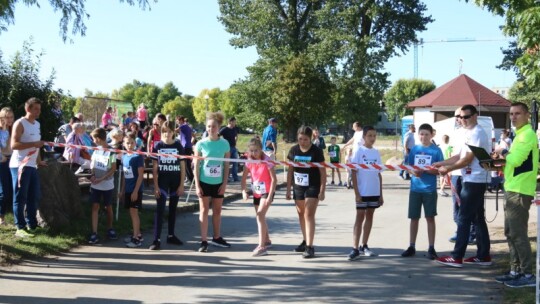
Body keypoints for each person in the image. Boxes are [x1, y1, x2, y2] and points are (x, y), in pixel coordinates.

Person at [434, 104, 491, 268]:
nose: (462, 120)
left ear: (474, 116)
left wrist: (448, 169)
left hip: (475, 179)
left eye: (466, 117)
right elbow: (459, 155)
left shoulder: (477, 133)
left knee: (464, 217)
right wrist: (442, 163)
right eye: (460, 117)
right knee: (477, 218)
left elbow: (467, 159)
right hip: (469, 178)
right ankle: (483, 255)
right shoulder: (467, 133)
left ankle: (457, 256)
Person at [492, 102, 538, 288]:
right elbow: (516, 162)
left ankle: (527, 275)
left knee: (518, 234)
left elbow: (517, 160)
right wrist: (498, 162)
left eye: (517, 113)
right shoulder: (519, 135)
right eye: (511, 114)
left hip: (520, 191)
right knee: (510, 233)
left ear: (527, 115)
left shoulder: (527, 134)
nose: (513, 117)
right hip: (513, 187)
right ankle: (515, 270)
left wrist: (502, 152)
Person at [401, 123, 443, 260]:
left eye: (426, 134)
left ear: (431, 135)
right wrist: (414, 172)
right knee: (414, 218)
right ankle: (411, 246)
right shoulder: (414, 149)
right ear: (418, 135)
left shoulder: (436, 151)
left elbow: (441, 170)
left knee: (430, 218)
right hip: (415, 189)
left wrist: (427, 171)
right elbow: (408, 166)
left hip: (429, 189)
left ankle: (431, 247)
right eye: (421, 134)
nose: (423, 136)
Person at [286, 126, 326, 258]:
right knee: (301, 214)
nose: (302, 142)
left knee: (309, 215)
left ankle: (310, 246)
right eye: (300, 139)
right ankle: (305, 240)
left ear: (311, 138)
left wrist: (322, 190)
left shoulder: (316, 151)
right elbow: (290, 170)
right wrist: (288, 189)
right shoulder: (294, 150)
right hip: (298, 186)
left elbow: (322, 171)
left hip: (312, 186)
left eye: (305, 139)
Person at [194, 112, 231, 252]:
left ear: (219, 127)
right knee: (203, 210)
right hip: (204, 181)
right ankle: (203, 241)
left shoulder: (225, 143)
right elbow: (196, 166)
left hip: (218, 182)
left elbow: (227, 165)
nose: (211, 129)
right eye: (209, 126)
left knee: (217, 210)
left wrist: (224, 183)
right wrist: (197, 185)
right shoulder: (200, 144)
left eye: (214, 126)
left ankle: (216, 237)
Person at [10, 98, 47, 238]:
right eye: (36, 108)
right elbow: (14, 145)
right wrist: (34, 144)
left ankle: (32, 225)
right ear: (28, 109)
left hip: (32, 166)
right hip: (20, 165)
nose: (38, 112)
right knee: (20, 197)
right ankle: (20, 227)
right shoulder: (19, 123)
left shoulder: (37, 124)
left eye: (39, 109)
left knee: (34, 196)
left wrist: (39, 161)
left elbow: (36, 146)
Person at [347, 126, 383, 261]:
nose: (372, 138)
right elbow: (354, 173)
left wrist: (380, 194)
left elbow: (379, 174)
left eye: (374, 136)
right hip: (362, 191)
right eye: (370, 136)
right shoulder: (358, 151)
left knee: (370, 216)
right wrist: (357, 192)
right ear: (364, 137)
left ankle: (364, 245)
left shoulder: (376, 152)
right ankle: (354, 248)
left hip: (374, 191)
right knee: (359, 217)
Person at [149, 121, 186, 250]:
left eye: (169, 132)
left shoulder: (178, 146)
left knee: (172, 210)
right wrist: (156, 186)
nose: (167, 134)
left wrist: (182, 185)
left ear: (173, 133)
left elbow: (182, 167)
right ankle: (156, 239)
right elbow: (154, 168)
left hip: (175, 181)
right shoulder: (157, 146)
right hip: (162, 181)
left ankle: (171, 235)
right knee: (160, 210)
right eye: (164, 132)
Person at [241, 137, 277, 257]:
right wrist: (244, 191)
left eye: (256, 150)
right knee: (260, 217)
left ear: (261, 149)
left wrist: (270, 196)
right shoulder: (249, 160)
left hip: (267, 191)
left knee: (260, 215)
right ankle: (267, 240)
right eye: (251, 151)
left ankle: (262, 247)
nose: (254, 153)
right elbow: (244, 177)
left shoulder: (267, 160)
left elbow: (274, 179)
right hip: (256, 191)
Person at [88, 128, 117, 244]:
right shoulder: (96, 150)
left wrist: (102, 178)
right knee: (95, 207)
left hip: (107, 185)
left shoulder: (111, 151)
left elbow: (113, 168)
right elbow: (93, 165)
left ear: (99, 139)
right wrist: (93, 175)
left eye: (94, 139)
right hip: (96, 185)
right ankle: (94, 233)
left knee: (108, 207)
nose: (93, 141)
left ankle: (110, 228)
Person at [120, 135, 145, 248]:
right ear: (123, 144)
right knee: (131, 213)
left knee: (134, 213)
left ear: (135, 143)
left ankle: (136, 239)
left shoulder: (138, 156)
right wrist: (123, 190)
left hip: (136, 189)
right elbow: (125, 175)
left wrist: (135, 191)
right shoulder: (124, 157)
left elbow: (140, 176)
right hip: (128, 189)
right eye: (127, 143)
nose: (129, 145)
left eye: (131, 143)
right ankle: (137, 234)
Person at [0, 107, 14, 226]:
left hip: (12, 161)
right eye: (7, 117)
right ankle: (2, 218)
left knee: (10, 191)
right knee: (4, 192)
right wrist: (1, 157)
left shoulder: (11, 129)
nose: (10, 119)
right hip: (2, 162)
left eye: (11, 117)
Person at [219, 117, 240, 182]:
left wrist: (236, 140)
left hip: (234, 147)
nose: (235, 123)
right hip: (227, 148)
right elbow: (218, 135)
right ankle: (226, 178)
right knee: (226, 163)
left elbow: (236, 135)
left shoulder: (234, 129)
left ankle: (235, 178)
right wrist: (222, 143)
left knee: (235, 163)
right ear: (230, 122)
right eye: (234, 122)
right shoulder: (224, 129)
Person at [176, 116, 194, 182]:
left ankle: (190, 179)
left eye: (177, 120)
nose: (177, 122)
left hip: (185, 147)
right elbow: (194, 136)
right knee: (187, 164)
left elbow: (174, 131)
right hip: (188, 146)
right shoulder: (188, 127)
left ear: (181, 120)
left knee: (185, 164)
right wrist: (190, 143)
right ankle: (189, 179)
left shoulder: (182, 126)